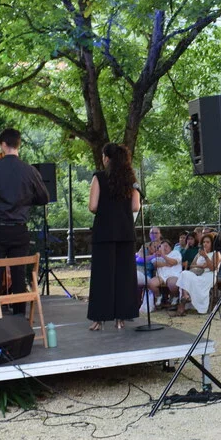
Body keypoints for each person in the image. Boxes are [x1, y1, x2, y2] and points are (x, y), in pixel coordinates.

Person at [0, 128, 50, 314]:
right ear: (18, 145)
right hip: (19, 229)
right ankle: (19, 317)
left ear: (3, 145)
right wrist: (25, 200)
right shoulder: (30, 170)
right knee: (19, 274)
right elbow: (44, 197)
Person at [87, 142, 142, 331]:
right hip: (125, 232)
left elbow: (93, 206)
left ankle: (99, 318)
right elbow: (135, 206)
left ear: (107, 159)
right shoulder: (131, 180)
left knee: (103, 276)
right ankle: (121, 318)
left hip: (104, 232)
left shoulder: (99, 177)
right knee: (124, 277)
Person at [174, 233, 221, 315]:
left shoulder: (216, 253)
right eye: (204, 242)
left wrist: (206, 257)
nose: (205, 244)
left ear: (212, 244)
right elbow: (192, 266)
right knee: (184, 273)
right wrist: (201, 266)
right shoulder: (200, 253)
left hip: (209, 275)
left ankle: (185, 304)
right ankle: (185, 296)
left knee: (195, 282)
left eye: (207, 242)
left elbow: (213, 268)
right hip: (198, 273)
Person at [148, 241, 182, 308]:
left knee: (173, 284)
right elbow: (156, 264)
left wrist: (163, 255)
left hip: (173, 275)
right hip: (161, 276)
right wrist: (167, 263)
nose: (164, 248)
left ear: (170, 247)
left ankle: (175, 297)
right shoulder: (157, 254)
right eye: (162, 247)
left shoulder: (175, 253)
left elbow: (173, 262)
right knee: (150, 283)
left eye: (166, 246)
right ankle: (158, 296)